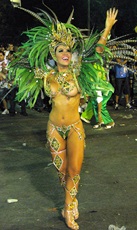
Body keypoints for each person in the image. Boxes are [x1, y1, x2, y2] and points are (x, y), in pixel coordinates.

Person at [9, 6, 118, 229]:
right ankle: (70, 200)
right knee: (62, 172)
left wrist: (107, 28)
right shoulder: (46, 75)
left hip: (74, 127)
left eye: (68, 49)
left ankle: (68, 208)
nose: (65, 53)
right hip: (53, 130)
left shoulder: (79, 71)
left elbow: (97, 51)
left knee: (74, 170)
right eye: (60, 50)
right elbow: (21, 61)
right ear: (53, 54)